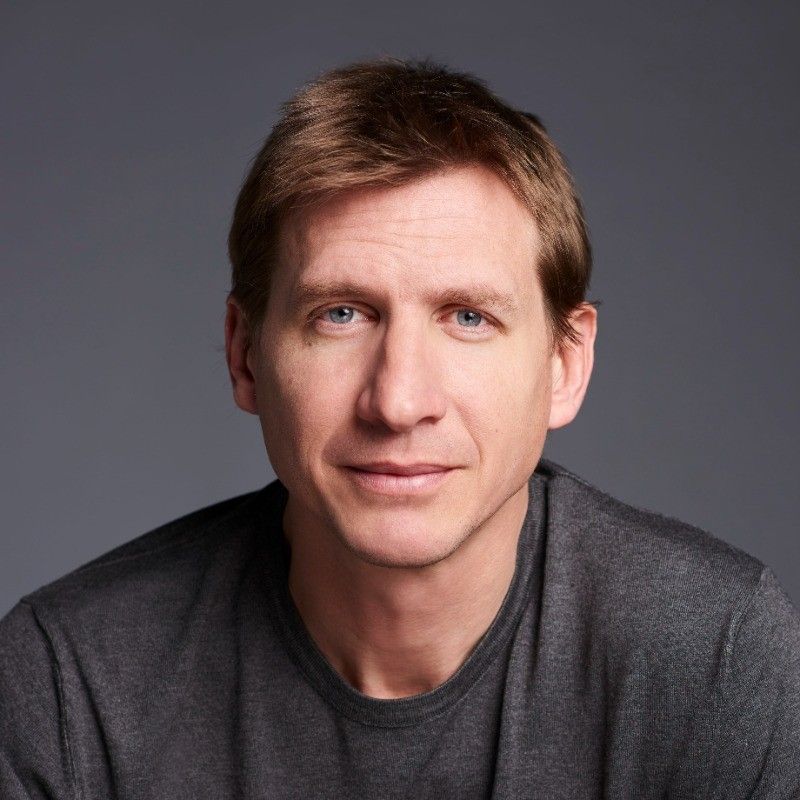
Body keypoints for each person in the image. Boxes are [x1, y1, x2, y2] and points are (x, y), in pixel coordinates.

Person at [1, 57, 798, 799]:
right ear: (246, 355)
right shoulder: (70, 683)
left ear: (564, 364)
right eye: (341, 314)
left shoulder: (714, 655)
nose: (398, 401)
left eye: (468, 317)